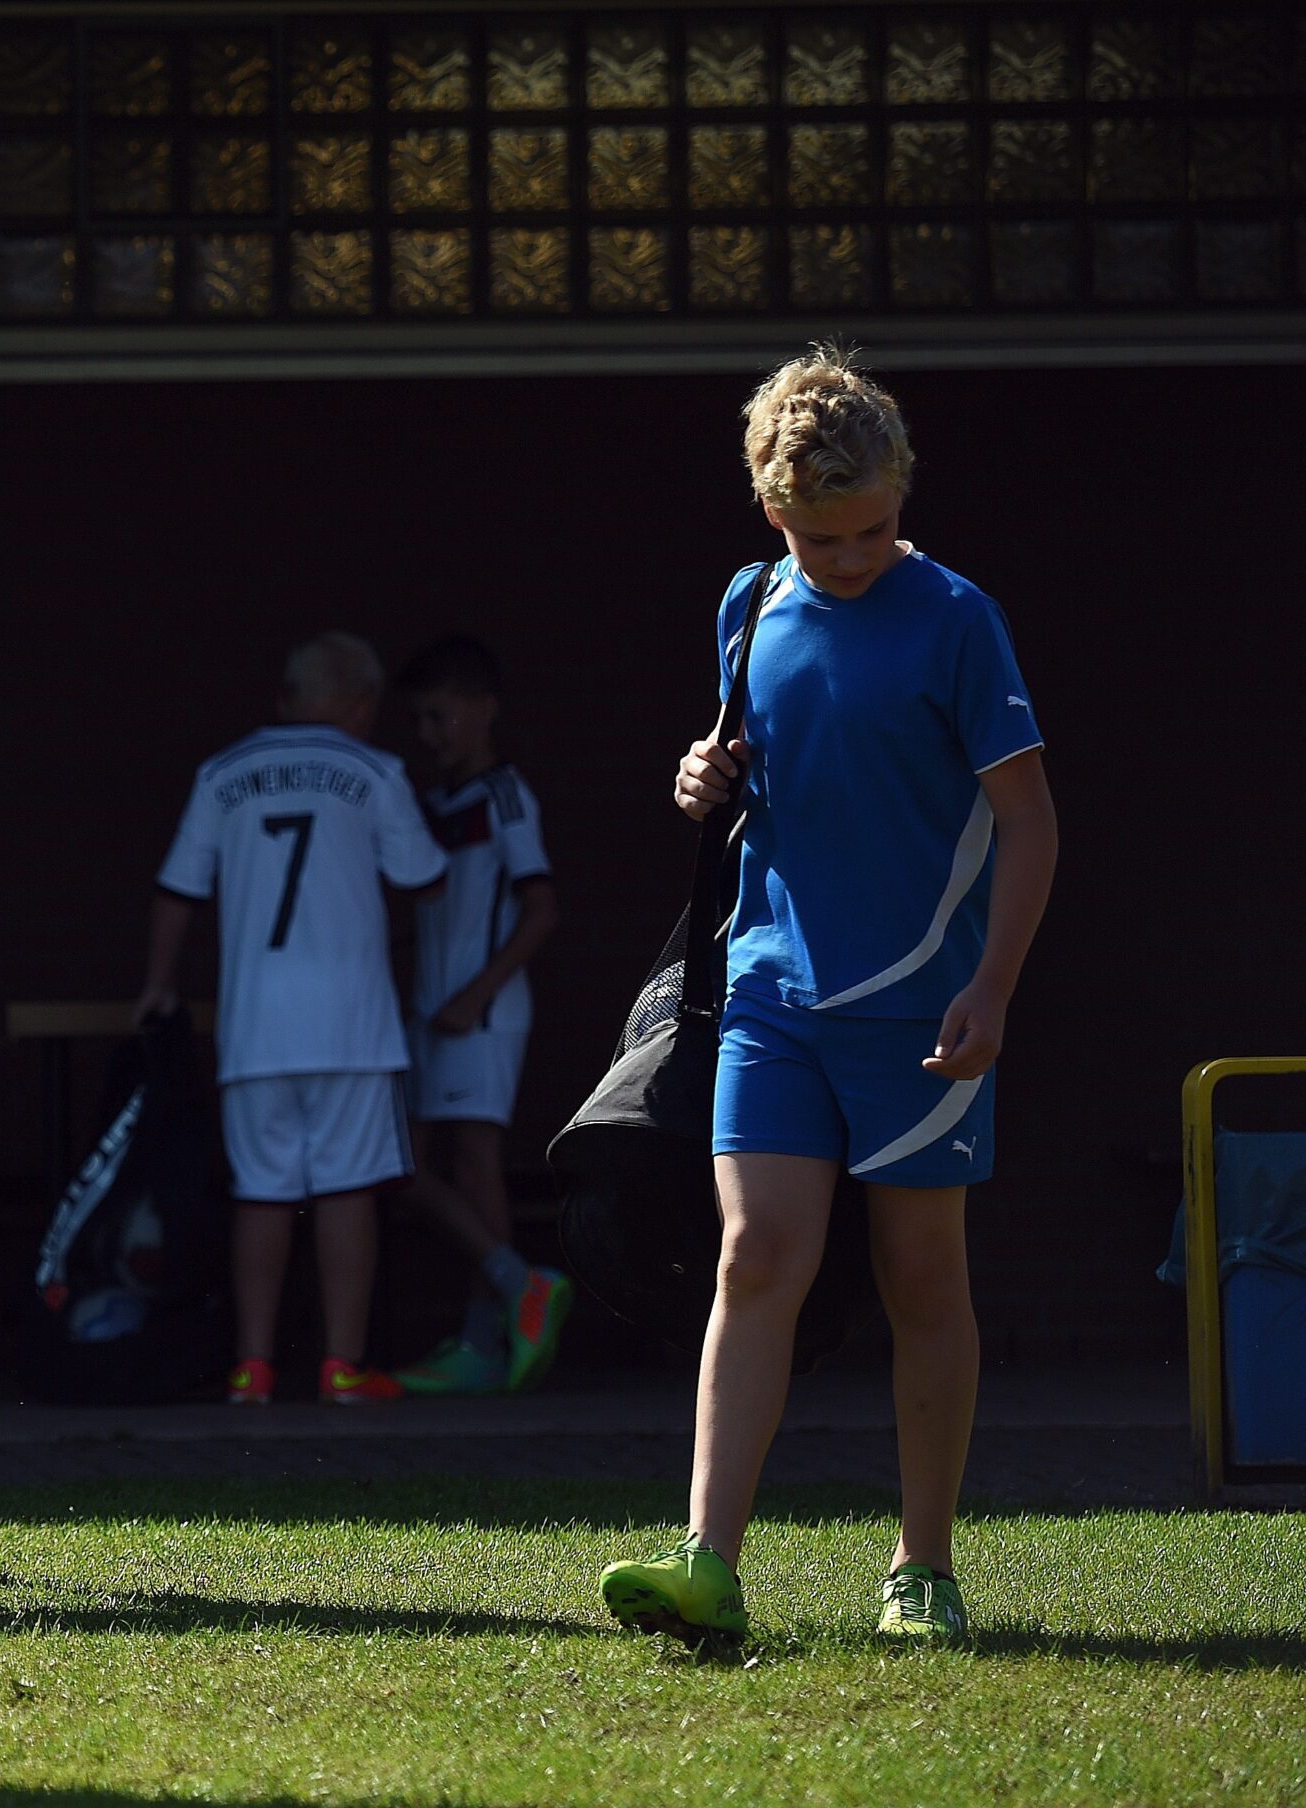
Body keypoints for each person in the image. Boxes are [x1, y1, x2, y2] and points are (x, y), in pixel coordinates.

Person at [598, 347, 1057, 1646]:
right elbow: (756, 771)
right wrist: (705, 778)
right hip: (771, 992)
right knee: (755, 1255)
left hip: (919, 1009)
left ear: (902, 496)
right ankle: (707, 1563)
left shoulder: (958, 618)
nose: (851, 556)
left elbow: (1029, 825)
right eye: (823, 536)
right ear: (772, 512)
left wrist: (992, 989)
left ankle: (923, 1567)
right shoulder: (749, 605)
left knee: (920, 1275)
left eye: (873, 531)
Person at [137, 633, 449, 1407]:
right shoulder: (376, 771)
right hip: (353, 1022)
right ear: (362, 703)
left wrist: (157, 985)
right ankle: (342, 1368)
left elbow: (177, 890)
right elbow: (425, 877)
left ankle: (254, 1368)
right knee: (348, 1189)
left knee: (263, 1192)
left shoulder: (223, 775)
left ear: (287, 697)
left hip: (255, 1025)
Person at [386, 636, 574, 1398]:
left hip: (482, 1016)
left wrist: (476, 994)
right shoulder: (433, 804)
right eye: (419, 720)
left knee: (467, 1162)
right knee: (406, 1167)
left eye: (439, 717)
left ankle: (487, 1336)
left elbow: (542, 907)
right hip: (431, 1016)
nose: (427, 735)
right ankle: (509, 1300)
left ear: (483, 709)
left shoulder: (504, 795)